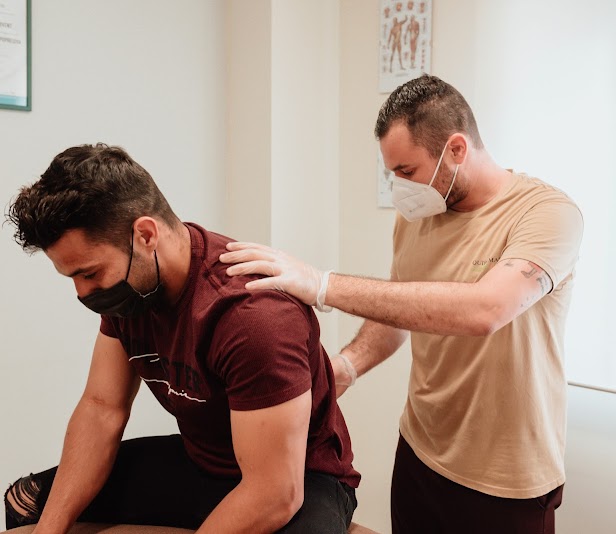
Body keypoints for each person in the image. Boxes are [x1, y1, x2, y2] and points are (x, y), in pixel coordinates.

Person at [219, 74, 584, 534]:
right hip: (420, 453)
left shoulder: (547, 214)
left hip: (506, 476)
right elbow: (401, 312)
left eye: (407, 171)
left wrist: (321, 284)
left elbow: (485, 310)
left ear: (456, 149)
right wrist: (346, 367)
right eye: (391, 173)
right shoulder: (418, 217)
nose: (400, 187)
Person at [3, 144, 360, 533]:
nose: (82, 292)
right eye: (72, 277)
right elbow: (102, 406)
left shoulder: (251, 316)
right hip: (202, 462)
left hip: (301, 478)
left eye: (89, 273)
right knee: (26, 501)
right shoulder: (133, 291)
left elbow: (275, 493)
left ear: (145, 235)